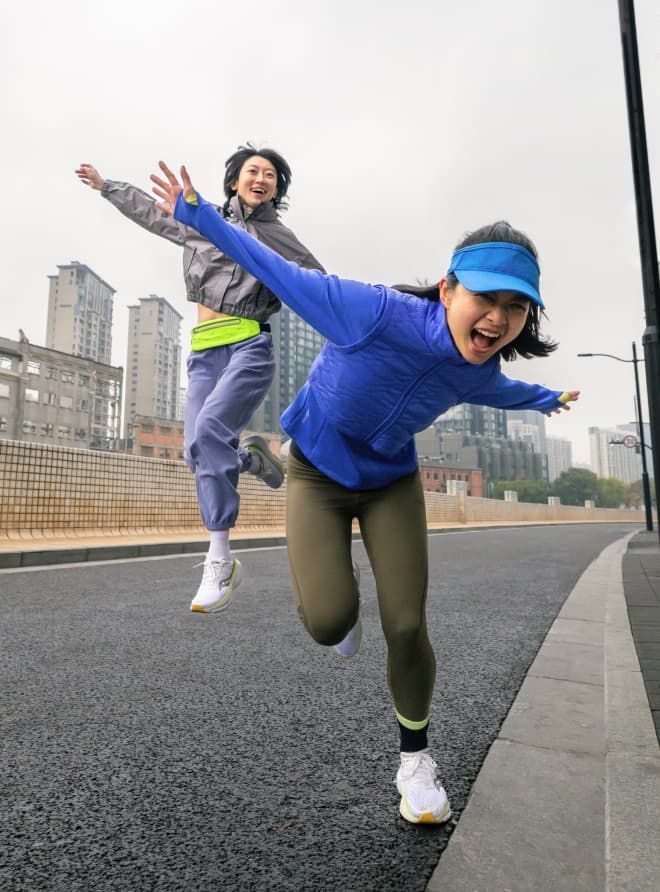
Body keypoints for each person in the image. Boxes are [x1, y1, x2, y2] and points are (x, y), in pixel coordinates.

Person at [151, 161, 579, 825]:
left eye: (516, 307)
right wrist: (202, 216)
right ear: (448, 290)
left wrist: (545, 397)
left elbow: (501, 390)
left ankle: (415, 761)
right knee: (327, 622)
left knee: (407, 623)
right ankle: (340, 602)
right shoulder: (372, 312)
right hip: (316, 475)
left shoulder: (478, 368)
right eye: (486, 300)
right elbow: (280, 272)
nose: (498, 319)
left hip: (391, 484)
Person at [76, 147, 323, 613]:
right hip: (205, 351)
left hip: (249, 345)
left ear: (276, 189)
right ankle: (252, 461)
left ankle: (220, 558)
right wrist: (108, 186)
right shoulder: (200, 221)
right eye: (253, 171)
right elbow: (153, 215)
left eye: (270, 175)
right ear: (235, 181)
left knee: (209, 432)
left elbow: (320, 281)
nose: (261, 178)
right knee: (197, 446)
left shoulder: (278, 236)